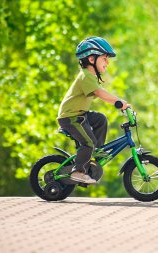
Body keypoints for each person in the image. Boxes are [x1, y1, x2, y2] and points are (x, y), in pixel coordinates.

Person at [57, 36, 128, 184]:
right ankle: (78, 171)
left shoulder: (90, 77)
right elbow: (99, 93)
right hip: (70, 117)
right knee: (88, 143)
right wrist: (118, 102)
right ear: (91, 59)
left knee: (100, 119)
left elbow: (100, 91)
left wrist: (118, 102)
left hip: (79, 115)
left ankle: (96, 152)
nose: (107, 62)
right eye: (104, 58)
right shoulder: (86, 76)